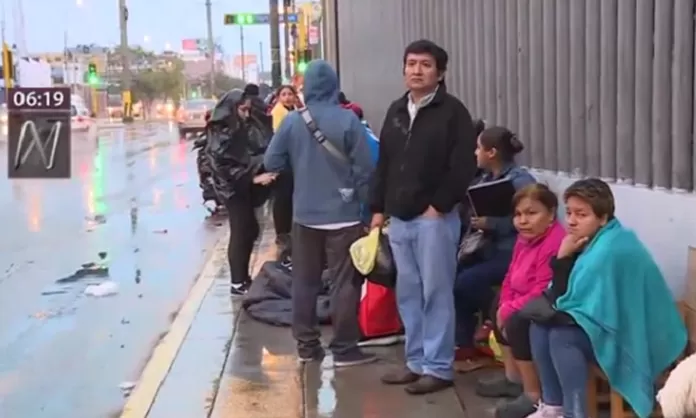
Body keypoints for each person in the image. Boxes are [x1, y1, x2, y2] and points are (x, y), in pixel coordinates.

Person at [369, 39, 477, 394]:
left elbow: (462, 166)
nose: (416, 70)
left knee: (437, 292)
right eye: (411, 63)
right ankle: (415, 361)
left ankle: (439, 367)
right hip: (399, 219)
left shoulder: (453, 113)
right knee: (408, 292)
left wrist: (439, 206)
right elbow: (384, 162)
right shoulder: (397, 110)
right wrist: (377, 209)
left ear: (440, 73)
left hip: (434, 219)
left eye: (425, 65)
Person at [527, 178, 687, 418]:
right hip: (612, 325)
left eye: (581, 214)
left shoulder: (611, 249)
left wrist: (562, 259)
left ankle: (574, 413)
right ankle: (553, 406)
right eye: (569, 212)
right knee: (539, 326)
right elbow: (566, 299)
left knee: (562, 337)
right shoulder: (594, 241)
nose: (571, 221)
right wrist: (563, 257)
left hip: (635, 337)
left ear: (602, 218)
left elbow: (577, 307)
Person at [264, 60, 376, 367]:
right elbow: (365, 170)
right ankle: (344, 349)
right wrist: (367, 212)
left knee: (304, 281)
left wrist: (301, 166)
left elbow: (272, 161)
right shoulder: (349, 120)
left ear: (307, 87)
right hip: (346, 214)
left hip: (305, 216)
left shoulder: (292, 121)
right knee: (344, 284)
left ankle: (307, 346)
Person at [473, 184, 565, 418]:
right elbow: (510, 274)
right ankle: (512, 378)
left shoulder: (554, 242)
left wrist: (510, 308)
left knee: (517, 319)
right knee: (497, 305)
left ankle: (533, 393)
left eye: (532, 213)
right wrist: (505, 302)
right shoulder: (524, 238)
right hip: (523, 295)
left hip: (548, 303)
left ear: (551, 214)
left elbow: (544, 289)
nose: (523, 221)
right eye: (518, 214)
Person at [454, 126, 535, 364]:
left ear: (492, 152)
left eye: (479, 148)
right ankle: (465, 343)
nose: (475, 153)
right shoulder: (485, 180)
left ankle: (496, 317)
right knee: (455, 277)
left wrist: (493, 223)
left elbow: (531, 219)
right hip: (487, 248)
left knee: (467, 281)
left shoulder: (521, 182)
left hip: (512, 252)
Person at [205, 89, 277, 295]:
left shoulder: (241, 126)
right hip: (232, 190)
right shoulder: (221, 131)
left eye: (248, 109)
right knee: (241, 231)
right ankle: (238, 281)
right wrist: (253, 177)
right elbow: (224, 166)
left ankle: (243, 278)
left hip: (242, 186)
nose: (246, 114)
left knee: (249, 230)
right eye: (243, 109)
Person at [269, 85, 300, 263]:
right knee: (282, 199)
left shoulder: (294, 111)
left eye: (290, 94)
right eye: (284, 94)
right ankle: (282, 234)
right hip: (284, 162)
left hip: (293, 161)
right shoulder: (279, 113)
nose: (287, 97)